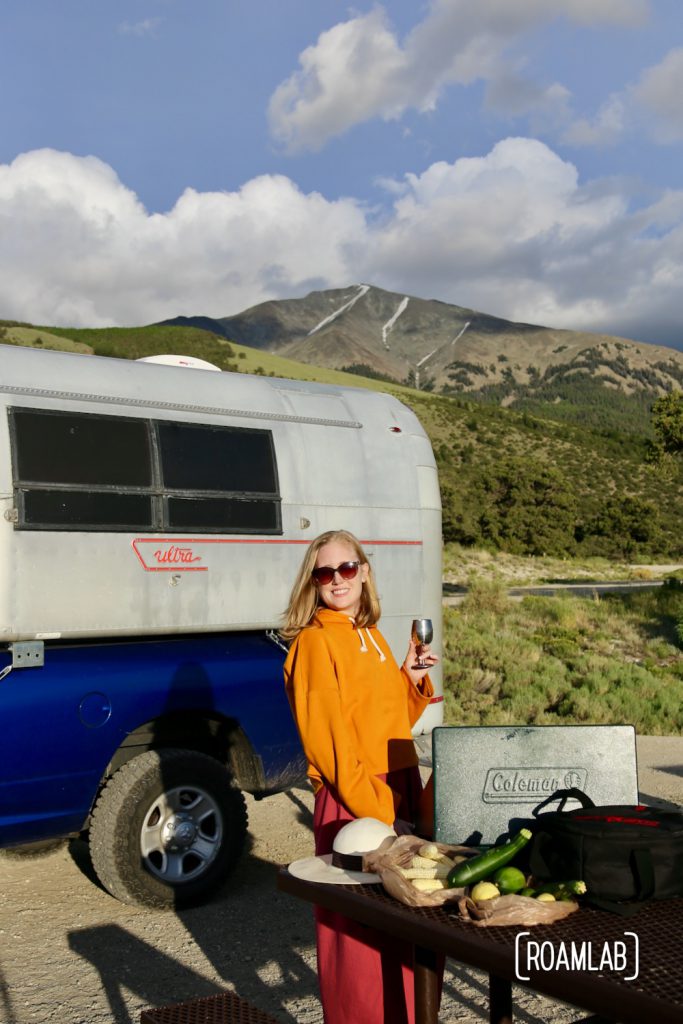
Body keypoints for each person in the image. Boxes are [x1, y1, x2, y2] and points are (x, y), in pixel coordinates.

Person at [281, 529, 440, 1024]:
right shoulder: (314, 642)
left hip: (395, 788)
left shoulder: (367, 632)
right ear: (314, 581)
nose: (337, 580)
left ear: (365, 571)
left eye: (346, 569)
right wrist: (387, 817)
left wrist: (410, 681)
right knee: (360, 943)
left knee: (406, 928)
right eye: (325, 573)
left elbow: (386, 720)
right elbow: (332, 748)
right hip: (357, 802)